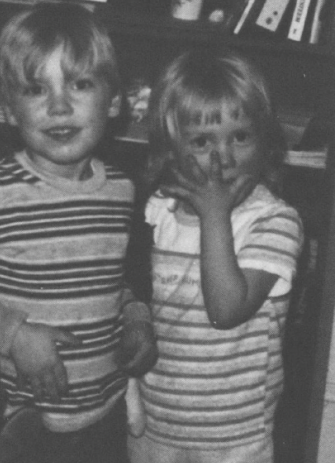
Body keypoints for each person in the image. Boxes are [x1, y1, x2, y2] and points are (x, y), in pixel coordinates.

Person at [0, 4, 157, 462]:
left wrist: (136, 318)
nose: (59, 105)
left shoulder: (120, 190)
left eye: (80, 84)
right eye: (36, 89)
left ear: (115, 101)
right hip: (13, 424)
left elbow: (105, 280)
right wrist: (10, 333)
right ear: (10, 111)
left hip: (102, 415)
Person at [127, 49, 304, 463]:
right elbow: (137, 291)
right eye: (202, 141)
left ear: (264, 140)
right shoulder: (159, 210)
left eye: (240, 136)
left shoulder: (274, 221)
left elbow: (225, 310)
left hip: (235, 435)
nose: (223, 158)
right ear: (171, 148)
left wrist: (214, 215)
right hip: (157, 424)